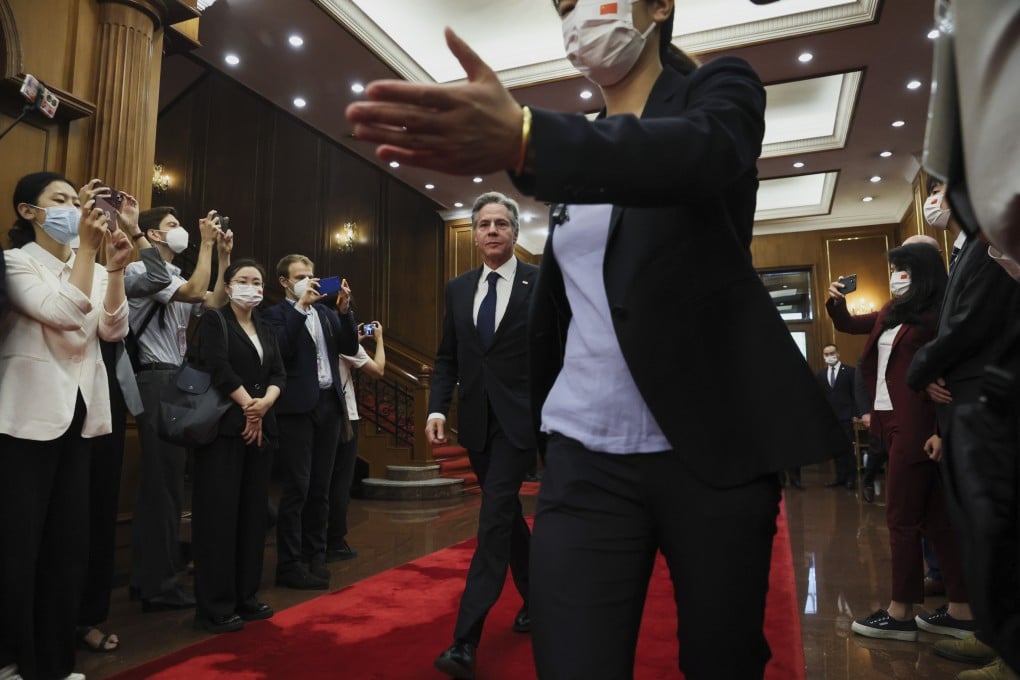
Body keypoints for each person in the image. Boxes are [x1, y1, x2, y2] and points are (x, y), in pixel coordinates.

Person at [348, 2, 847, 677]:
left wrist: (527, 139)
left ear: (660, 6)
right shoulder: (581, 148)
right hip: (585, 454)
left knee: (721, 659)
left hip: (711, 447)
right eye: (562, 5)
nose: (576, 12)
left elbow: (694, 155)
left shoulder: (719, 90)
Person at [0, 172, 131, 680]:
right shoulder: (15, 263)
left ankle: (55, 664)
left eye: (78, 201)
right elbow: (60, 311)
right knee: (19, 546)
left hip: (81, 417)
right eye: (61, 201)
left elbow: (112, 328)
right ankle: (13, 659)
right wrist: (89, 257)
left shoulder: (94, 268)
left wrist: (114, 270)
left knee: (66, 547)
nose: (75, 209)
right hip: (24, 420)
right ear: (28, 212)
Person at [826, 243, 976, 643]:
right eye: (894, 267)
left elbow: (956, 366)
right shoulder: (893, 312)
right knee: (933, 520)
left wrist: (940, 429)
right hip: (888, 419)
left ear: (923, 272)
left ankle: (901, 612)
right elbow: (851, 326)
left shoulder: (936, 313)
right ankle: (962, 610)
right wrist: (836, 303)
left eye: (903, 268)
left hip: (917, 421)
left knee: (901, 519)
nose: (896, 275)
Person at [426, 191, 538, 679]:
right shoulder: (457, 288)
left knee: (492, 521)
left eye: (501, 223)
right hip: (475, 424)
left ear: (514, 232)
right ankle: (538, 601)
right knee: (507, 514)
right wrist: (435, 406)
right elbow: (448, 355)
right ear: (474, 235)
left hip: (520, 423)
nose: (492, 230)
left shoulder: (541, 283)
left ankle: (465, 641)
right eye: (484, 224)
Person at [77, 192, 172, 654]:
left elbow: (154, 277)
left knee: (98, 508)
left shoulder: (116, 269)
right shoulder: (36, 265)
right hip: (53, 396)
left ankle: (87, 618)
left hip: (108, 391)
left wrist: (133, 229)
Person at [128, 205, 231, 612]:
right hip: (153, 378)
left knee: (171, 483)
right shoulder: (141, 271)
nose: (182, 231)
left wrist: (221, 257)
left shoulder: (173, 275)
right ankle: (156, 583)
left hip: (175, 378)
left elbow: (215, 301)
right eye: (172, 226)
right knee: (161, 486)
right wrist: (205, 246)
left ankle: (155, 577)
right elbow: (192, 293)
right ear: (153, 236)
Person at [189, 259, 285, 633]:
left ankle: (246, 596)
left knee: (252, 517)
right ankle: (215, 604)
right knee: (219, 517)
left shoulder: (266, 326)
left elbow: (278, 372)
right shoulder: (216, 320)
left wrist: (264, 406)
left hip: (261, 427)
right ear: (228, 287)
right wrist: (249, 406)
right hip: (225, 429)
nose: (251, 286)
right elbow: (219, 367)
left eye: (257, 282)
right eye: (243, 280)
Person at [263, 254, 359, 589]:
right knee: (298, 487)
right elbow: (281, 350)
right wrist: (300, 308)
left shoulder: (326, 313)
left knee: (321, 487)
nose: (309, 281)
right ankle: (289, 564)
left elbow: (348, 347)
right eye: (301, 276)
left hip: (328, 406)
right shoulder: (274, 314)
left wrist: (345, 311)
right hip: (295, 409)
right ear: (284, 281)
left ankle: (315, 555)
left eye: (312, 275)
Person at [326, 319, 386, 562]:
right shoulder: (346, 344)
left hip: (320, 414)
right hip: (345, 416)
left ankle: (315, 541)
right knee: (340, 483)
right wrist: (379, 340)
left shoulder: (321, 336)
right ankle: (335, 541)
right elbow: (378, 370)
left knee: (321, 482)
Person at [816, 343, 858, 489]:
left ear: (838, 353)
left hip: (847, 416)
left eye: (832, 353)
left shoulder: (850, 371)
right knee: (836, 448)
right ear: (823, 356)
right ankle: (840, 477)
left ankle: (851, 479)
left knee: (848, 448)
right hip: (831, 418)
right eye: (826, 354)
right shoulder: (821, 375)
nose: (829, 356)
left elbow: (856, 394)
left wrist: (855, 414)